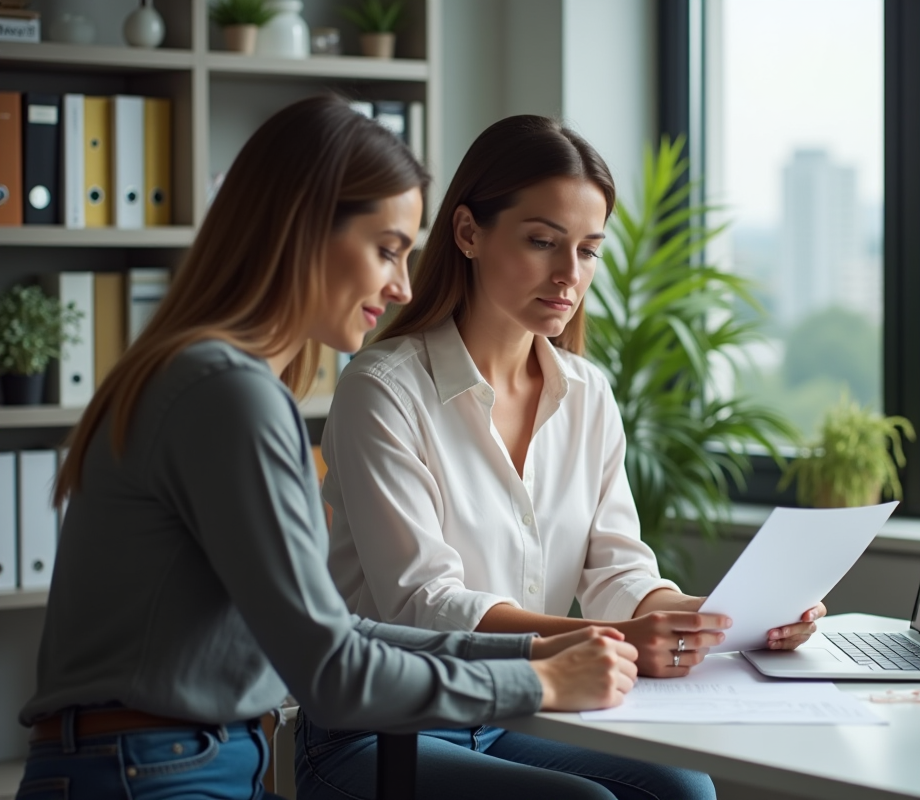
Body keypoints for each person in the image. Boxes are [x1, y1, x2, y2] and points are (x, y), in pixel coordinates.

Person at [15, 97, 641, 800]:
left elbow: (335, 627)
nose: (401, 285)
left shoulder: (221, 380)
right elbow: (333, 671)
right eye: (385, 249)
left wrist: (531, 647)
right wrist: (538, 677)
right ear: (304, 231)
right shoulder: (228, 393)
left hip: (183, 761)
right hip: (151, 773)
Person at [306, 115, 827, 800]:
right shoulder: (383, 390)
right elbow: (424, 605)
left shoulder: (586, 393)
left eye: (587, 251)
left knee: (684, 790)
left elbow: (620, 568)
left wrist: (720, 618)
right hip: (387, 728)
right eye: (542, 242)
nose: (568, 275)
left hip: (519, 710)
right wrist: (616, 635)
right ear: (467, 233)